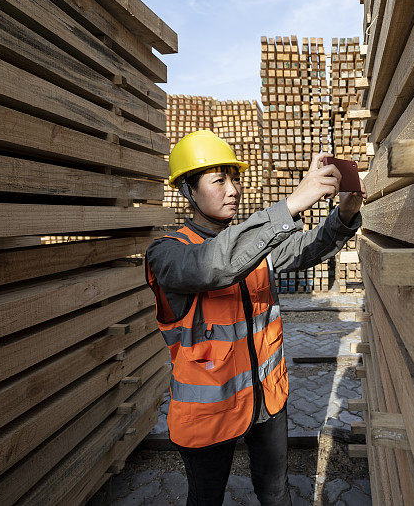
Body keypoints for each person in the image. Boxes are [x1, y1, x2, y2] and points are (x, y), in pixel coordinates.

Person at [144, 130, 366, 505]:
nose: (233, 190)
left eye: (235, 179)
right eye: (219, 181)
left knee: (276, 493)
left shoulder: (252, 248)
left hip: (267, 401)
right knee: (205, 499)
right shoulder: (168, 255)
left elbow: (304, 248)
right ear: (188, 191)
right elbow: (214, 265)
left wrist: (344, 215)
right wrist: (293, 202)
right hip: (209, 415)